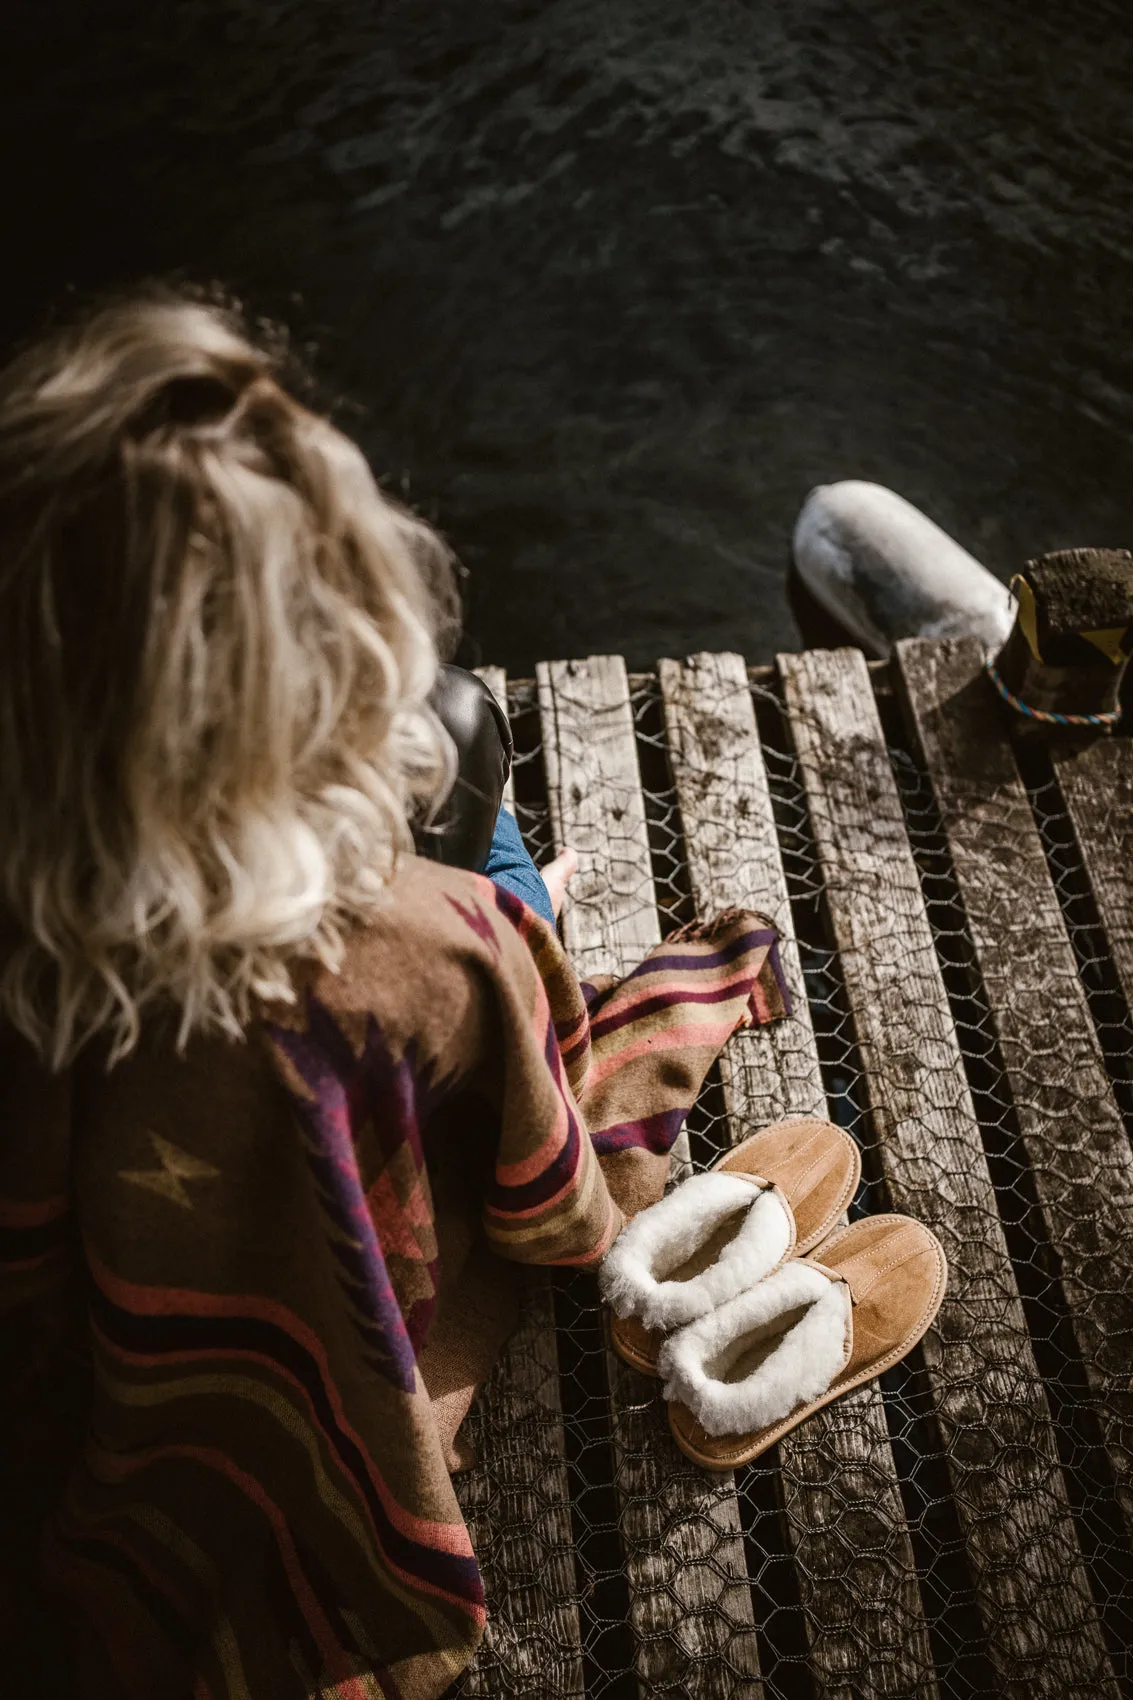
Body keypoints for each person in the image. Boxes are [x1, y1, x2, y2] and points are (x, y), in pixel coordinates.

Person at [0, 290, 788, 1699]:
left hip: (96, 1296)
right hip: (368, 1064)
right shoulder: (425, 951)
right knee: (465, 745)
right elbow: (542, 1194)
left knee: (456, 749)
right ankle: (524, 884)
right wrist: (507, 952)